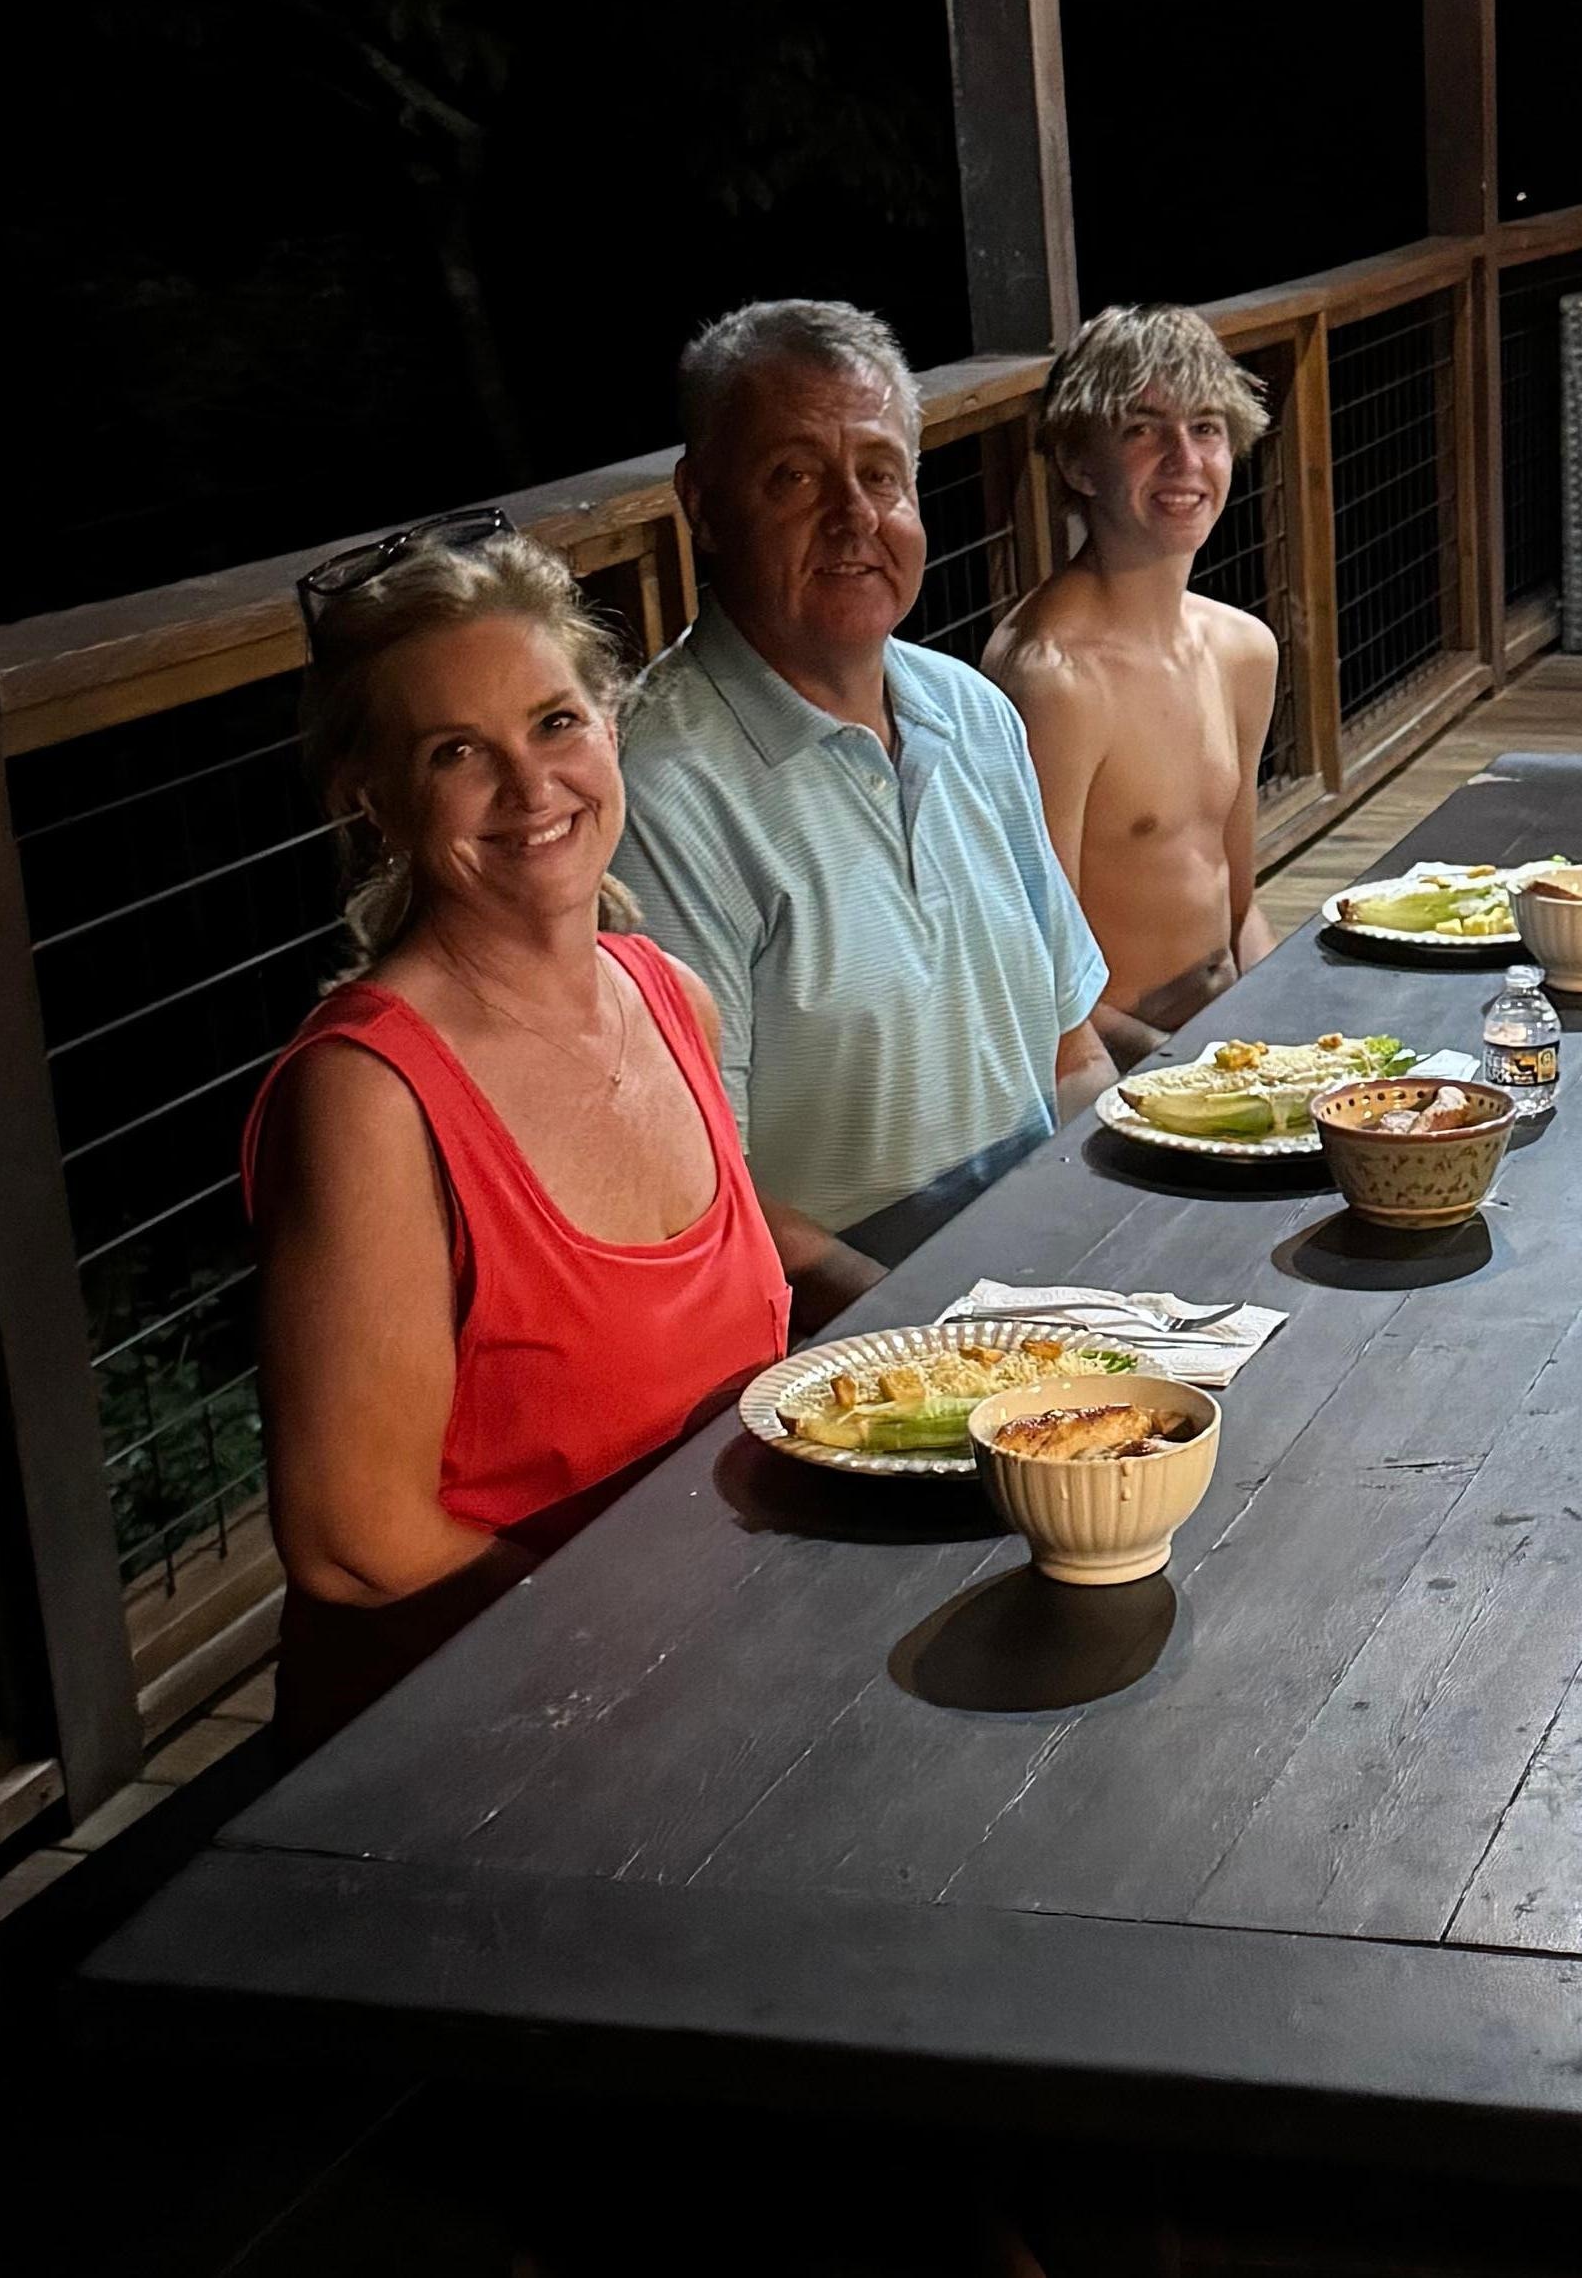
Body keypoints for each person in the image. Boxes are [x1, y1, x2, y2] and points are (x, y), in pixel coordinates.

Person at [249, 526, 790, 1760]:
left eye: (555, 723)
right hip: (475, 1746)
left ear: (611, 723)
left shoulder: (669, 999)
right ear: (373, 797)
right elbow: (358, 1545)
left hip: (701, 1676)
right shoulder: (368, 1098)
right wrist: (674, 1678)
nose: (531, 787)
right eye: (457, 752)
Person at [613, 299, 1115, 1314]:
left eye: (881, 474)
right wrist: (941, 1325)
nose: (853, 516)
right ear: (703, 506)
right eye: (795, 477)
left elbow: (1074, 1048)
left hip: (1036, 1255)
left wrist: (1119, 1234)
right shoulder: (654, 787)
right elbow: (712, 1197)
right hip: (843, 1330)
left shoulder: (972, 710)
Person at [983, 309, 1281, 1053]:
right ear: (1081, 464)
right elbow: (1036, 974)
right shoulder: (1053, 680)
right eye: (1144, 430)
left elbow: (1240, 911)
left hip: (1231, 1036)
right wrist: (1192, 1072)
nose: (1185, 459)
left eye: (1207, 428)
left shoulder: (1244, 650)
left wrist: (1295, 1036)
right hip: (1116, 1071)